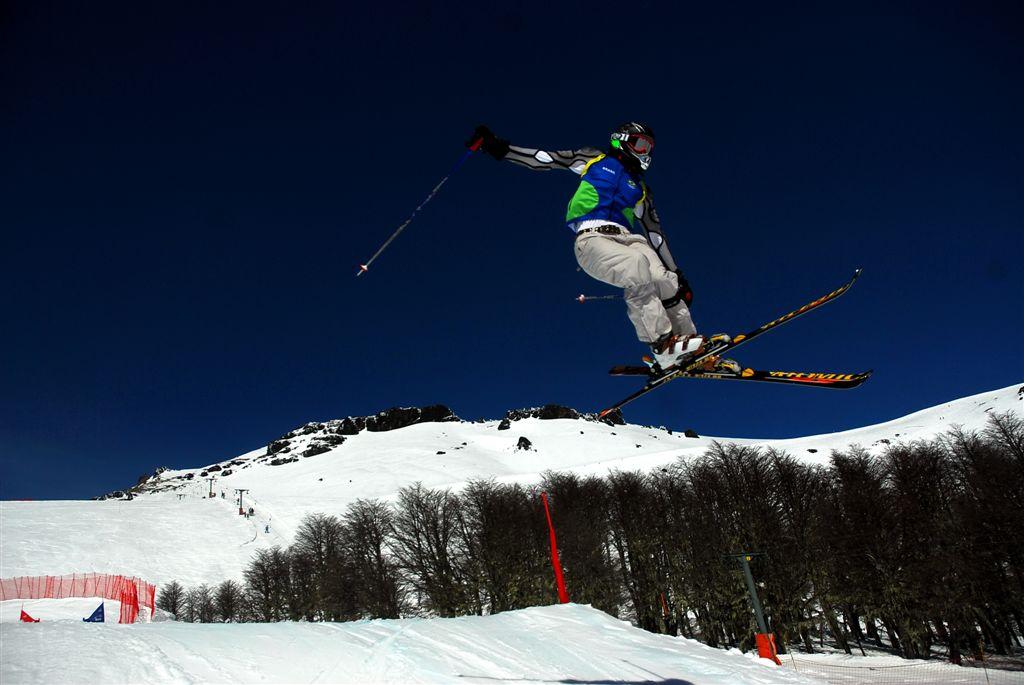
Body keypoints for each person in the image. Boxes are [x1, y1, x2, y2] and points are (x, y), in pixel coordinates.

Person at [467, 122, 731, 372]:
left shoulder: (640, 189)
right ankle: (662, 345)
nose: (645, 152)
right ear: (622, 140)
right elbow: (545, 159)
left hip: (629, 238)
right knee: (635, 267)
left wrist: (678, 274)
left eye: (649, 148)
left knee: (665, 280)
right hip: (593, 238)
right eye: (640, 144)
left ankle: (693, 350)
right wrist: (500, 149)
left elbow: (655, 234)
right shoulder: (593, 158)